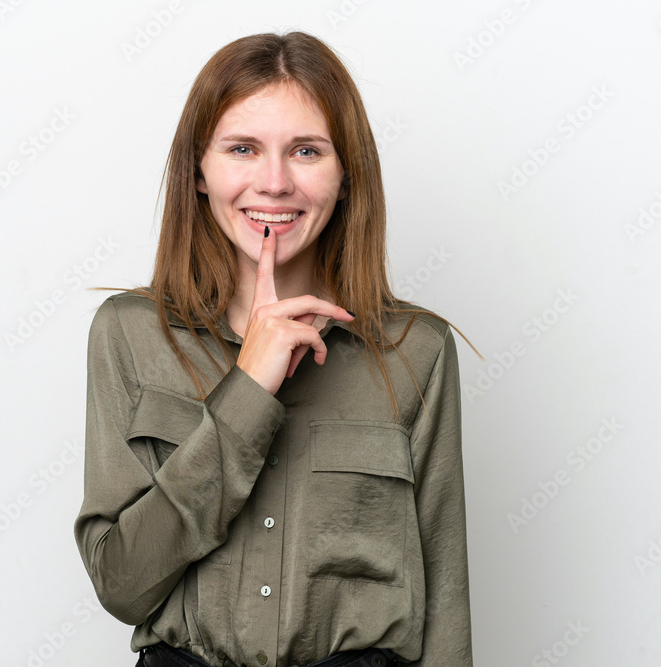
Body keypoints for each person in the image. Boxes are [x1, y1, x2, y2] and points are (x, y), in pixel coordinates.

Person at [74, 30, 480, 667]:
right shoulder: (128, 334)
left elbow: (445, 601)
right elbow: (122, 584)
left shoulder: (415, 350)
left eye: (306, 151)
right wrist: (247, 393)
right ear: (199, 172)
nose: (274, 182)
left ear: (346, 178)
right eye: (242, 148)